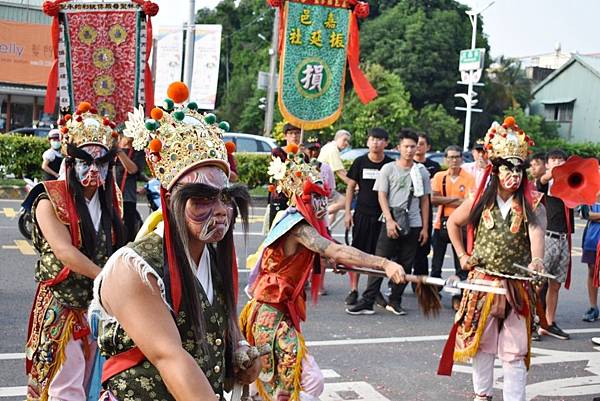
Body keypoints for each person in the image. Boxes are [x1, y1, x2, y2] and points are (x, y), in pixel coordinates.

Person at [92, 85, 261, 400]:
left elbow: (223, 323)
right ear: (170, 200)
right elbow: (170, 357)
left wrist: (241, 352)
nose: (221, 211)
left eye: (226, 197)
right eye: (202, 200)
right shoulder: (136, 268)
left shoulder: (212, 257)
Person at [241, 143, 405, 401]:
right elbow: (335, 250)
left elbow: (323, 256)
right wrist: (384, 263)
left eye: (323, 197)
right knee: (305, 381)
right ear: (303, 196)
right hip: (270, 316)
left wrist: (331, 262)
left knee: (269, 382)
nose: (322, 203)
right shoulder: (298, 226)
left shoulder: (298, 223)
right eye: (317, 196)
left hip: (277, 313)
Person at [437, 116, 546, 401]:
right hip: (482, 281)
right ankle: (482, 396)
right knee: (482, 345)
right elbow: (452, 224)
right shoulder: (479, 199)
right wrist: (462, 255)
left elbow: (536, 234)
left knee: (514, 350)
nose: (515, 175)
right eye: (508, 168)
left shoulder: (532, 204)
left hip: (516, 286)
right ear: (496, 170)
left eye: (519, 169)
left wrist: (537, 261)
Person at [25, 103, 125, 401]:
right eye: (85, 161)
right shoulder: (48, 198)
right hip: (62, 306)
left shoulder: (113, 199)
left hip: (99, 305)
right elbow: (64, 251)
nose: (94, 170)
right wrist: (106, 277)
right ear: (70, 162)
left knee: (95, 384)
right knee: (66, 389)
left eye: (102, 162)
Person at [346, 129, 431, 316]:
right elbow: (382, 196)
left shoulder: (421, 171)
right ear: (398, 147)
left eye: (413, 147)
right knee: (379, 261)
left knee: (405, 264)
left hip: (414, 223)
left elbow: (425, 200)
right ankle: (368, 300)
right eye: (406, 146)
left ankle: (395, 300)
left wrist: (425, 227)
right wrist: (389, 220)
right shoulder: (388, 169)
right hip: (390, 221)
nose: (409, 150)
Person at [343, 127, 394, 306]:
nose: (376, 142)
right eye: (373, 139)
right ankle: (354, 289)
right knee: (357, 252)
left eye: (380, 139)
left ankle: (373, 291)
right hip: (362, 215)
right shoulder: (360, 162)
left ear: (386, 143)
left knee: (378, 254)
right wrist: (348, 213)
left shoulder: (390, 164)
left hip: (382, 217)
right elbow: (350, 187)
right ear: (367, 141)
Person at [430, 145, 475, 310]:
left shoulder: (469, 178)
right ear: (445, 159)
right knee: (436, 264)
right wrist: (455, 199)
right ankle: (434, 294)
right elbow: (433, 199)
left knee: (461, 265)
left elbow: (469, 202)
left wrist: (446, 199)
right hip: (440, 224)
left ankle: (458, 297)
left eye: (457, 157)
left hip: (461, 226)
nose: (454, 160)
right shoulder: (439, 176)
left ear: (462, 159)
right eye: (450, 157)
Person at [536, 149, 574, 340]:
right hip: (548, 237)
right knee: (538, 282)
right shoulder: (547, 181)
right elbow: (541, 181)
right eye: (554, 159)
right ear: (548, 163)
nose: (558, 162)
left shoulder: (572, 182)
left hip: (564, 238)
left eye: (561, 159)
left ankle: (549, 322)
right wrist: (556, 171)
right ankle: (534, 321)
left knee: (555, 284)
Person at [412, 131, 441, 281]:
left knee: (423, 248)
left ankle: (421, 284)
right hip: (408, 211)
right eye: (415, 144)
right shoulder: (407, 165)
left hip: (425, 211)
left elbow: (435, 192)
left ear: (428, 147)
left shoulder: (434, 166)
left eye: (421, 144)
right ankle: (396, 285)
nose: (417, 147)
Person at [267, 123, 304, 228]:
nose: (294, 136)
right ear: (285, 136)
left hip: (298, 199)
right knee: (276, 230)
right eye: (291, 133)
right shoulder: (277, 152)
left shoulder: (303, 155)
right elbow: (279, 174)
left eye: (297, 133)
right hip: (280, 196)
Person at [114, 133, 146, 243]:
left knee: (127, 232)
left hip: (127, 198)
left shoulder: (138, 151)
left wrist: (119, 152)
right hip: (110, 195)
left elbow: (133, 169)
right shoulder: (111, 149)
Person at [318, 129, 352, 223]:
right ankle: (319, 214)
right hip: (324, 184)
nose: (346, 143)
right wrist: (353, 184)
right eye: (344, 140)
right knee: (345, 202)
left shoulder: (329, 147)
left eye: (347, 141)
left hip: (324, 183)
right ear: (337, 138)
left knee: (334, 209)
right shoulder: (333, 149)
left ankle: (327, 231)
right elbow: (340, 171)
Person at [581, 195, 600, 322]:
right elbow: (586, 214)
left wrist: (596, 216)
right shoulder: (589, 192)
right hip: (591, 238)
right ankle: (593, 307)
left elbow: (592, 215)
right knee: (592, 271)